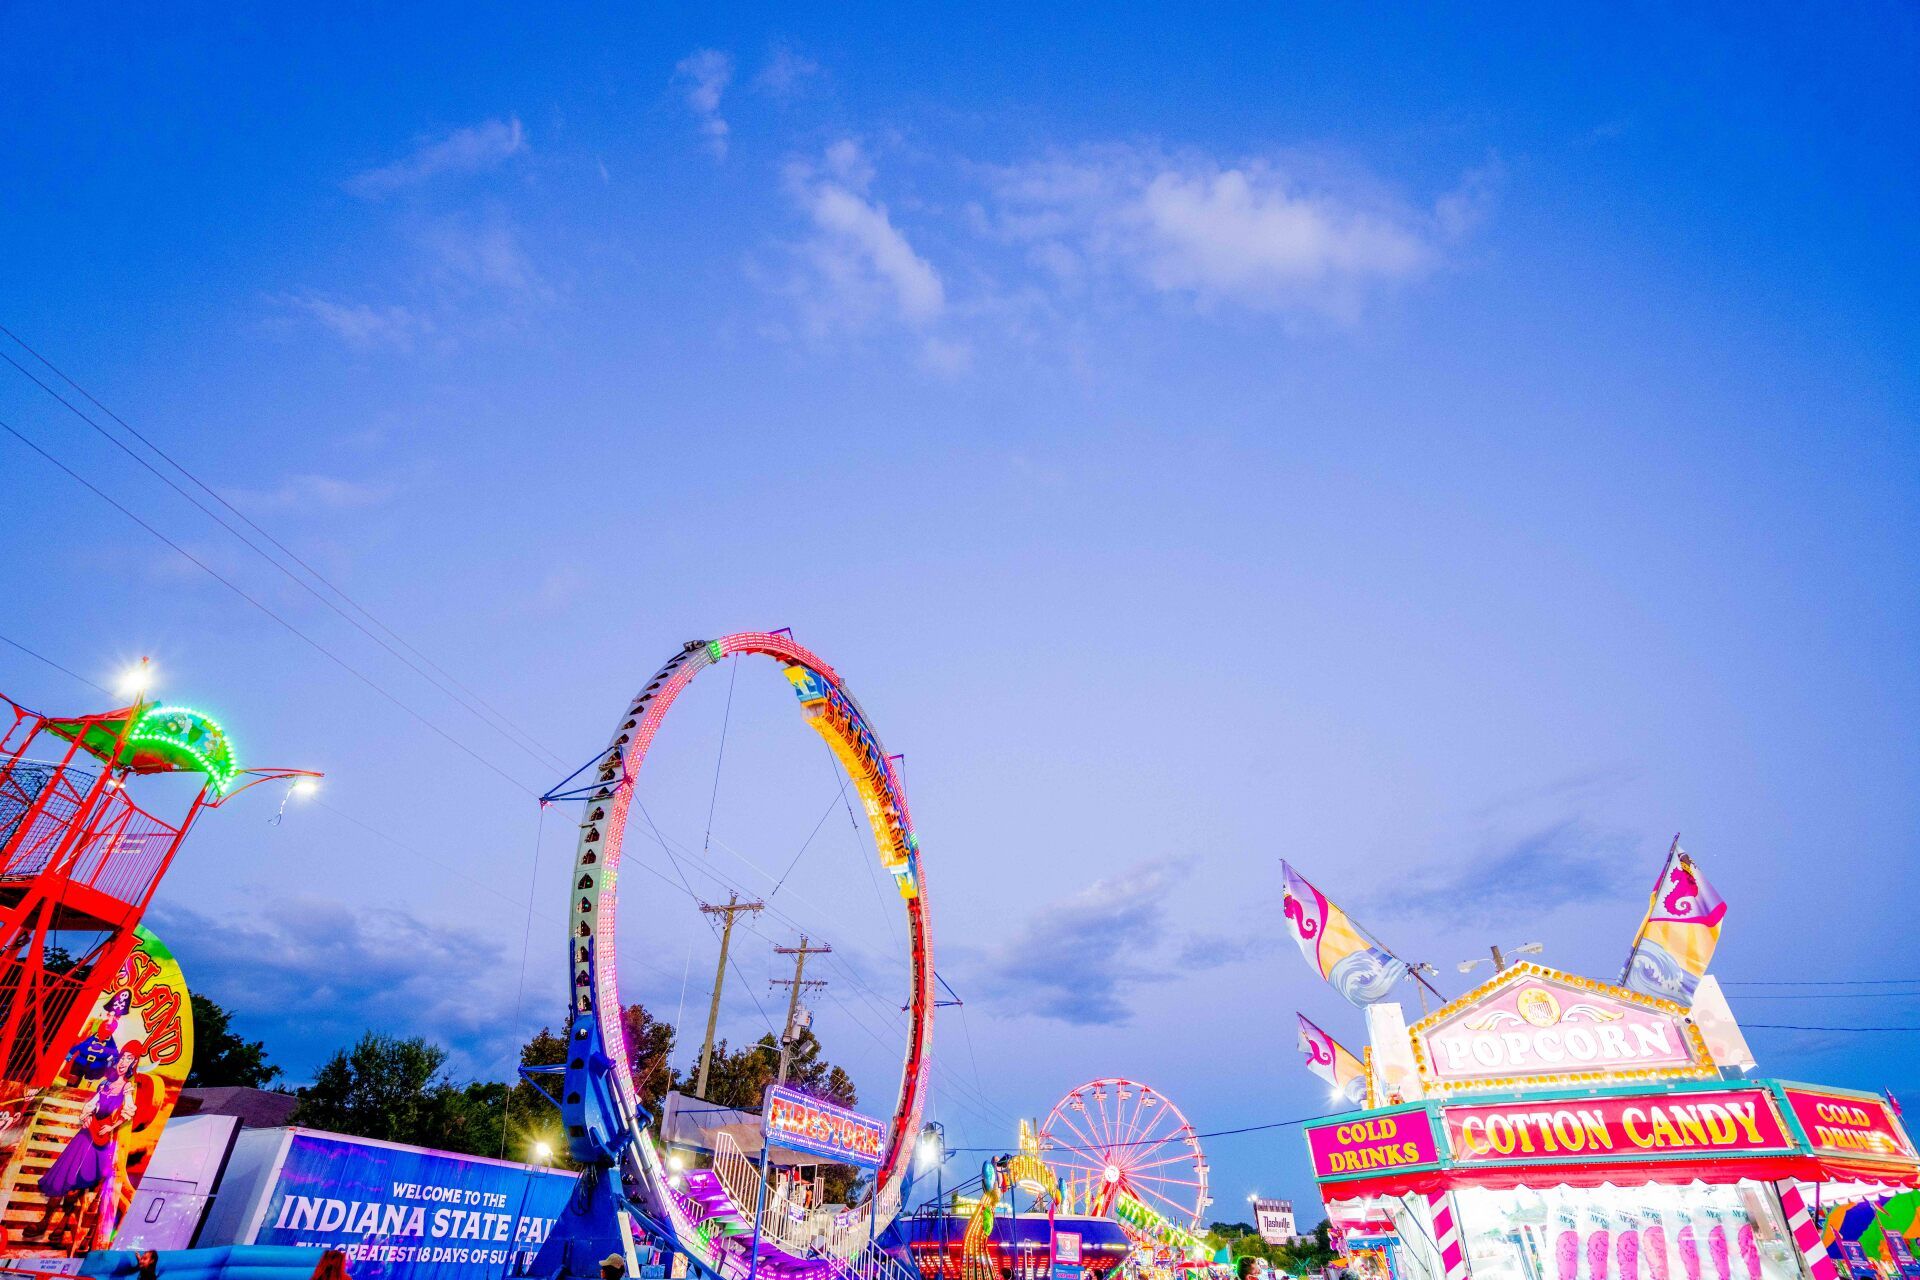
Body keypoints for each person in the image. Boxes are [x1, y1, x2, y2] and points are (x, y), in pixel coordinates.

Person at [26, 1042, 142, 1248]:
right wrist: (86, 1115)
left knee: (80, 1181)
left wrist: (112, 1126)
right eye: (123, 1057)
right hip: (86, 1133)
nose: (124, 1062)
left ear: (134, 1063)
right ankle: (45, 1221)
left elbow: (129, 1110)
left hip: (101, 1137)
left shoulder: (127, 1087)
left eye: (129, 1059)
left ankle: (61, 1224)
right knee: (64, 1176)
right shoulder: (105, 1083)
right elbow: (92, 1103)